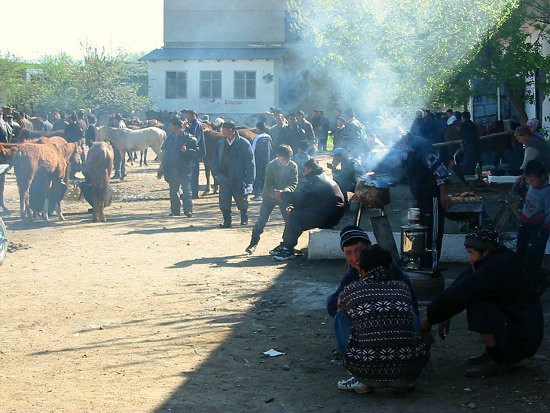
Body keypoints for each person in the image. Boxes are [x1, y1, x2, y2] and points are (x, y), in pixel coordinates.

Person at [420, 226, 544, 378]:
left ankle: (497, 358)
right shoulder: (496, 259)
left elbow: (461, 293)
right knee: (475, 295)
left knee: (477, 302)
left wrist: (429, 319)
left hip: (522, 336)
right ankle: (494, 352)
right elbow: (461, 282)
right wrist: (444, 315)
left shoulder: (495, 268)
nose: (469, 258)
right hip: (520, 329)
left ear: (485, 253)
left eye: (471, 253)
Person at [336, 245, 430, 394]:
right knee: (409, 312)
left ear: (360, 270)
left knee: (341, 315)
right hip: (408, 374)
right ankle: (402, 378)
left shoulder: (350, 291)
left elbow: (336, 310)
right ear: (390, 268)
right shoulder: (403, 288)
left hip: (365, 373)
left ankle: (356, 378)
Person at [376, 132, 452, 268]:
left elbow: (440, 170)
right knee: (422, 229)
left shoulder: (420, 146)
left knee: (432, 232)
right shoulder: (407, 148)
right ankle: (423, 263)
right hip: (421, 197)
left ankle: (432, 265)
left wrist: (443, 194)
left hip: (432, 195)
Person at [271, 159, 345, 261]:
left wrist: (282, 195)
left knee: (295, 217)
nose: (303, 172)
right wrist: (296, 207)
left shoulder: (316, 180)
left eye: (304, 169)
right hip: (330, 213)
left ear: (309, 169)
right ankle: (285, 244)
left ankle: (288, 249)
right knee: (294, 213)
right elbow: (311, 199)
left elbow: (301, 197)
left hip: (328, 216)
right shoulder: (321, 177)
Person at [245, 144, 298, 254]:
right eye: (282, 159)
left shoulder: (293, 166)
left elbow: (294, 182)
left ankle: (286, 244)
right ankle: (253, 243)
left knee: (289, 221)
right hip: (269, 197)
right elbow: (268, 184)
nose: (283, 162)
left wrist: (286, 191)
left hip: (285, 196)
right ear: (277, 156)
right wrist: (275, 193)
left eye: (286, 160)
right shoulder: (271, 166)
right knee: (262, 220)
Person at [211, 121, 255, 228]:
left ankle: (244, 218)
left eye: (224, 130)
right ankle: (227, 221)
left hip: (239, 176)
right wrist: (216, 174)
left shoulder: (244, 143)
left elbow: (250, 162)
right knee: (224, 200)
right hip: (224, 176)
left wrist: (249, 180)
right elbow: (215, 159)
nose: (222, 132)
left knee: (241, 199)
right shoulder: (221, 143)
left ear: (231, 130)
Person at [517, 160, 550, 293]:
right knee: (521, 253)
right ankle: (523, 282)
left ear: (542, 177)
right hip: (525, 224)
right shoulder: (532, 186)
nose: (530, 182)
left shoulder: (547, 192)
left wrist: (544, 230)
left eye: (533, 180)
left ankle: (536, 283)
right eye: (528, 180)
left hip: (538, 229)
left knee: (533, 258)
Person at [162, 118, 199, 217]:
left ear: (177, 126)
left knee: (186, 191)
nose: (170, 127)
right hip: (172, 169)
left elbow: (196, 153)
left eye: (171, 125)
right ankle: (175, 210)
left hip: (185, 168)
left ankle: (188, 211)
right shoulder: (170, 138)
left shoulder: (189, 138)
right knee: (173, 191)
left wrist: (187, 150)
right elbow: (165, 152)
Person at [183, 109, 206, 199]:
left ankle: (195, 193)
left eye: (188, 116)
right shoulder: (192, 124)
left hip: (194, 151)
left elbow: (195, 138)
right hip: (190, 151)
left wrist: (185, 128)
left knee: (194, 173)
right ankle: (189, 191)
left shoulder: (197, 124)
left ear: (193, 115)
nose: (186, 117)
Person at [251, 122, 273, 200]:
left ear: (258, 128)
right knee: (265, 176)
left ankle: (258, 194)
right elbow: (271, 149)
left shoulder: (257, 137)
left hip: (258, 160)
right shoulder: (269, 137)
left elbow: (252, 149)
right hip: (267, 160)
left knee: (257, 176)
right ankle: (265, 193)